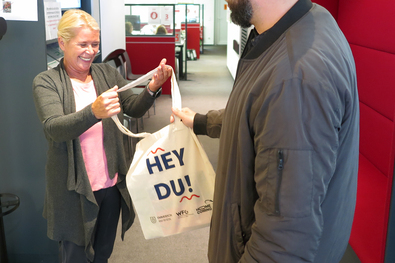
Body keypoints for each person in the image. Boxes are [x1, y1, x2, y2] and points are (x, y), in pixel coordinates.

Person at [171, 0, 359, 262]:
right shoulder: (299, 26)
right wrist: (202, 121)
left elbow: (284, 242)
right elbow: (259, 113)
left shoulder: (295, 78)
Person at [32, 9, 172, 262]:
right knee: (75, 255)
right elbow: (54, 129)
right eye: (82, 44)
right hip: (73, 189)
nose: (90, 51)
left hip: (110, 183)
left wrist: (152, 88)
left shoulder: (106, 73)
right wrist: (93, 112)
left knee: (103, 253)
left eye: (95, 44)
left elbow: (132, 106)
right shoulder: (46, 81)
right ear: (62, 43)